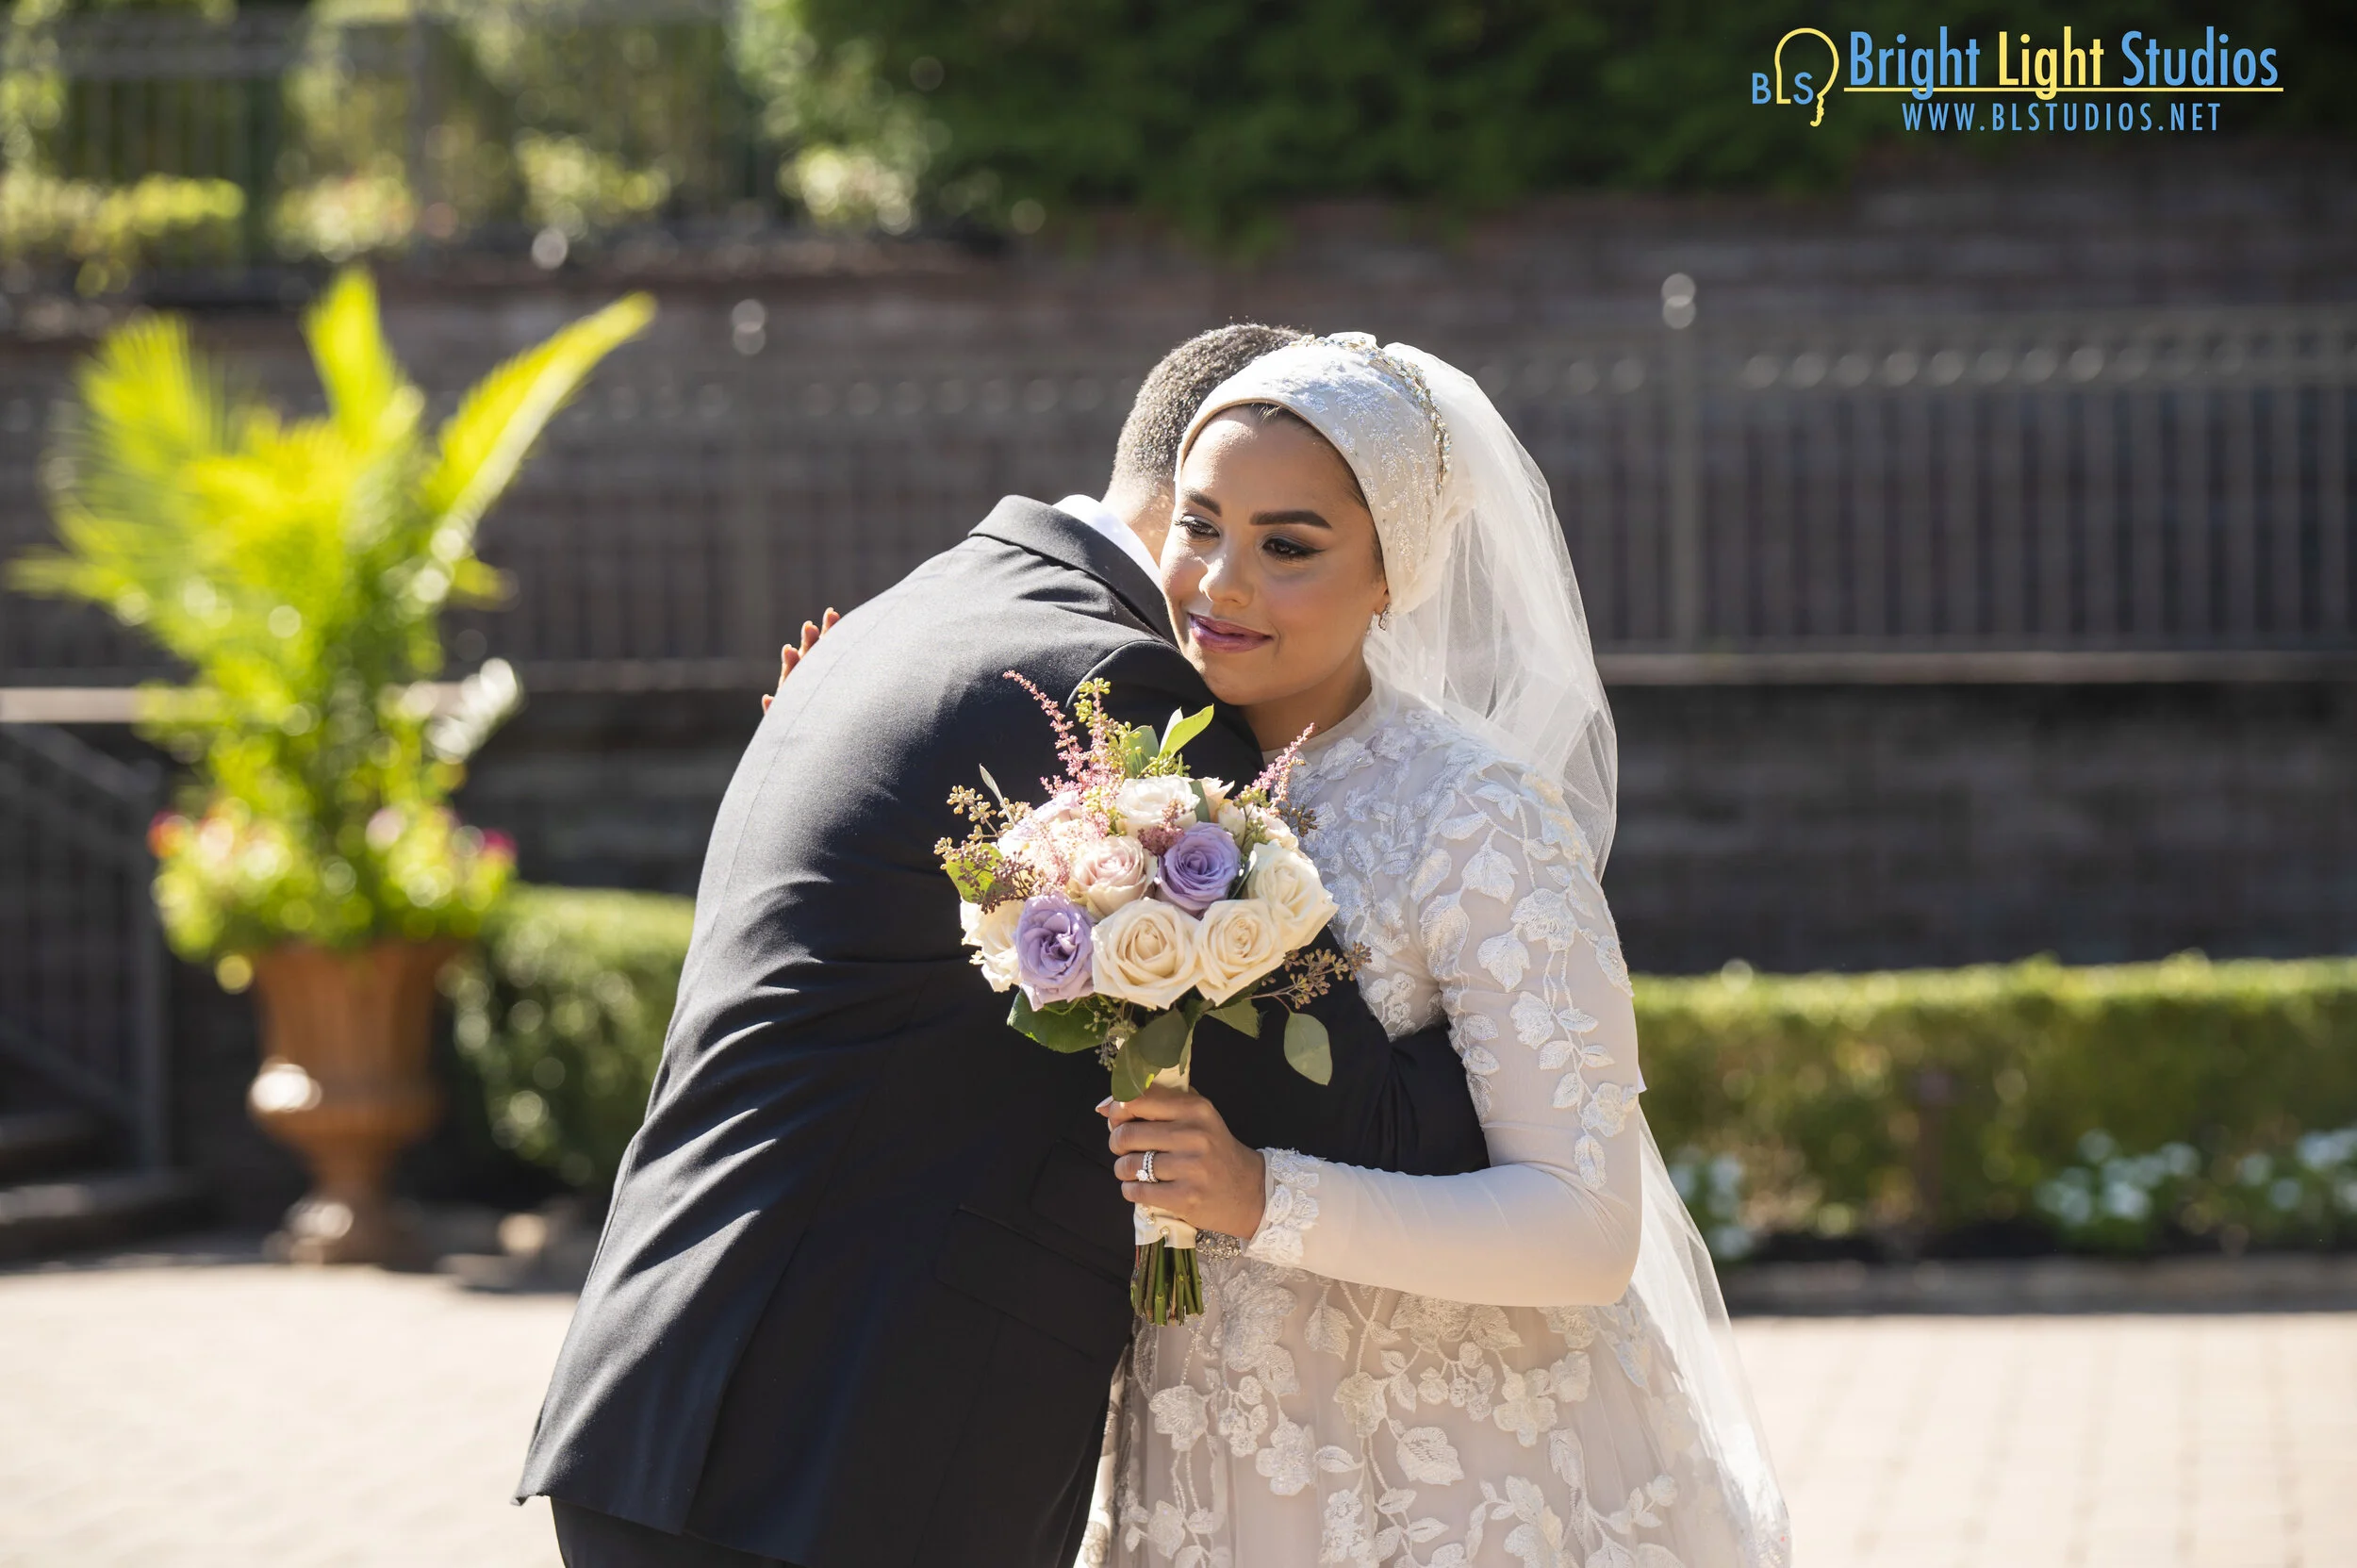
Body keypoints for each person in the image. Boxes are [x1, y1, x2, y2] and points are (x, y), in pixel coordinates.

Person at [515, 325, 1494, 1568]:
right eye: (1225, 526)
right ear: (1194, 480)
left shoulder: (915, 608)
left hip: (683, 1400)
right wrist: (1520, 1008)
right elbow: (1353, 1120)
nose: (1233, 581)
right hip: (847, 1454)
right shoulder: (1116, 688)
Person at [1093, 335, 1792, 1567]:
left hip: (1449, 1462)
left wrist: (1260, 1197)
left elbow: (1585, 1228)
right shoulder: (1114, 768)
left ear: (1390, 577)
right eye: (1199, 526)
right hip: (1196, 1443)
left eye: (1288, 546)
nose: (1221, 582)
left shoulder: (1475, 813)